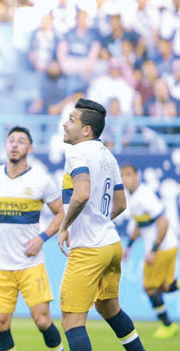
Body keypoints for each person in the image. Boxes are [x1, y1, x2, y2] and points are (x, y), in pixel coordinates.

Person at [58, 98, 145, 351]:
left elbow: (82, 193)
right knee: (110, 308)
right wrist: (99, 221)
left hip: (88, 248)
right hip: (110, 244)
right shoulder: (108, 155)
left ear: (87, 130)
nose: (65, 124)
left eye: (71, 120)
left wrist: (64, 226)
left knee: (72, 320)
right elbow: (120, 204)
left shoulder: (77, 152)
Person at [0, 126, 65, 351]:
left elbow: (61, 213)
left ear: (29, 148)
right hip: (0, 265)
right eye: (11, 140)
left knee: (42, 320)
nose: (14, 144)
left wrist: (42, 238)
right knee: (0, 322)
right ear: (6, 146)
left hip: (30, 263)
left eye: (20, 141)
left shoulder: (41, 181)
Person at [120, 164, 179, 338]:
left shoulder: (144, 195)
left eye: (129, 174)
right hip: (165, 246)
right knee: (162, 287)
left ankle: (168, 326)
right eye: (122, 175)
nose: (125, 179)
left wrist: (153, 249)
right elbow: (141, 223)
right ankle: (168, 325)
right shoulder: (131, 197)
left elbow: (163, 221)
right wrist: (129, 246)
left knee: (150, 289)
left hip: (162, 247)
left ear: (137, 176)